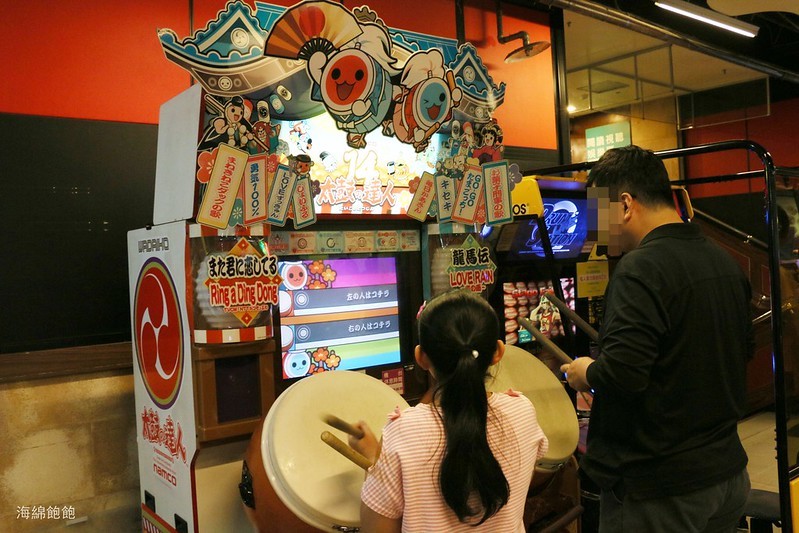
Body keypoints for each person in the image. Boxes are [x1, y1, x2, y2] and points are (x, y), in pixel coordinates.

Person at [559, 145, 752, 532]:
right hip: (727, 474)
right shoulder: (723, 261)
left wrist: (586, 372)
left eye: (596, 215)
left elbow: (624, 375)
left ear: (625, 205)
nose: (594, 232)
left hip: (662, 489)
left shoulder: (640, 268)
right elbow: (740, 352)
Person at [348, 289, 549, 532]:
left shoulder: (403, 433)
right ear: (498, 352)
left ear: (421, 357)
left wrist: (376, 463)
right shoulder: (522, 412)